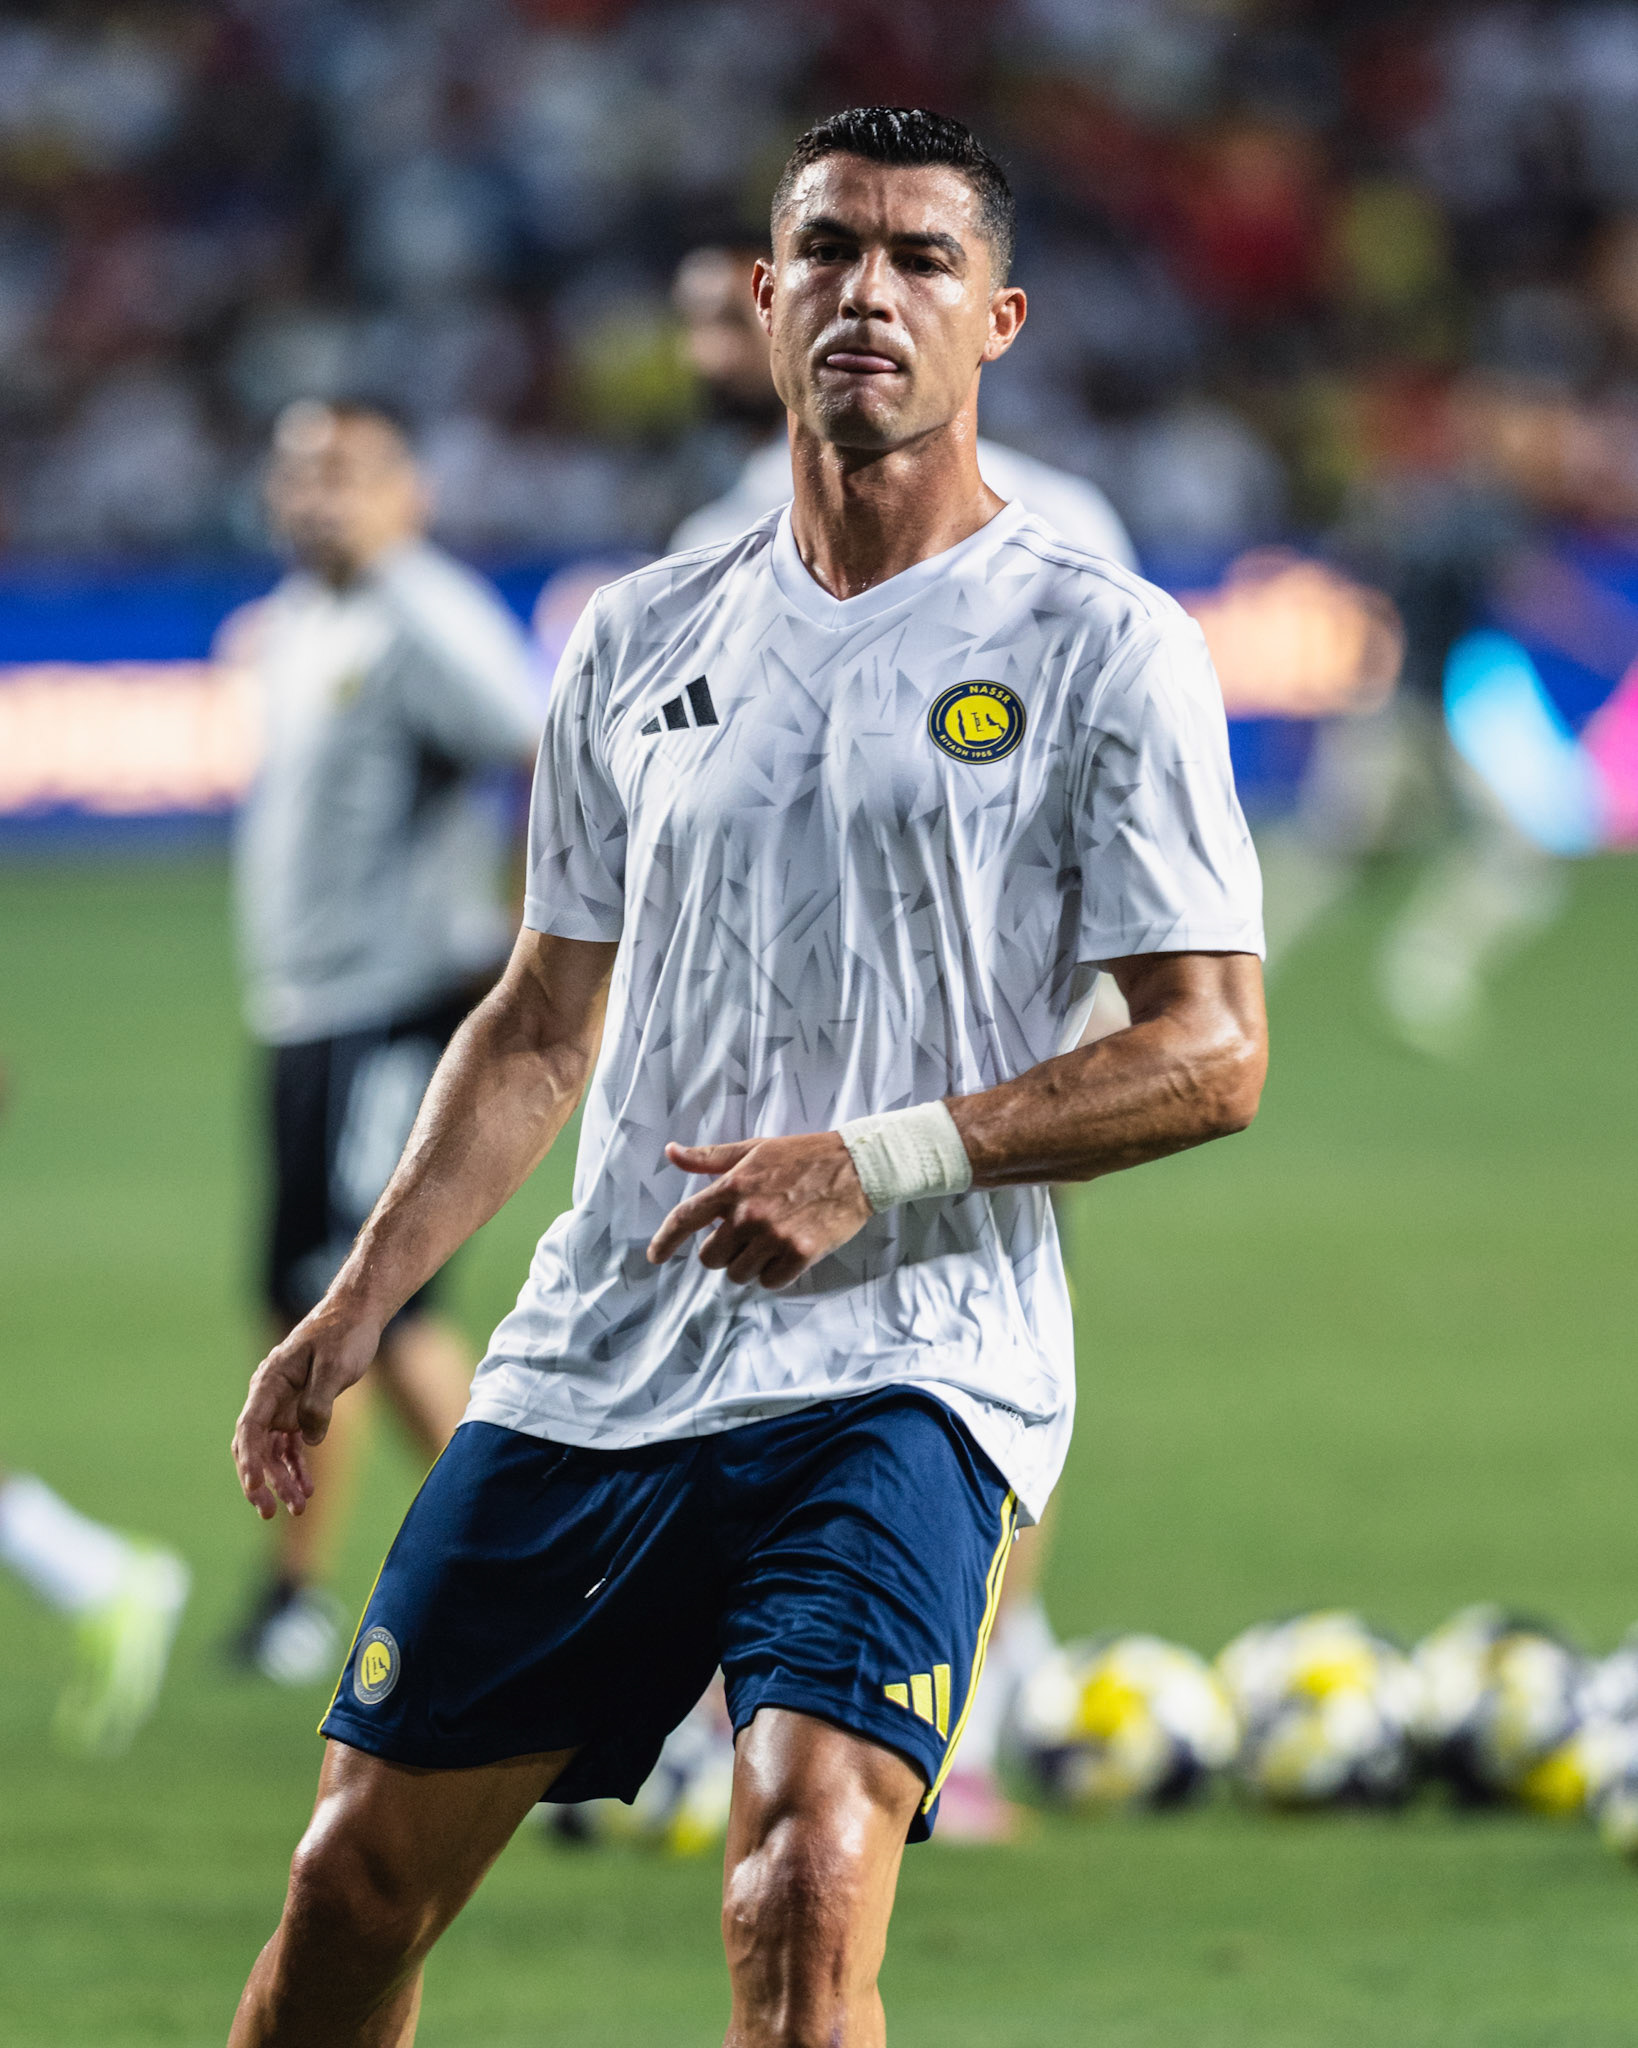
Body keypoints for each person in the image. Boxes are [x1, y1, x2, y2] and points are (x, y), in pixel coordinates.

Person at [228, 107, 1266, 2047]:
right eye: (831, 250)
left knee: (802, 1879)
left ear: (1000, 321)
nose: (870, 290)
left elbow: (1212, 1052)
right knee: (350, 1884)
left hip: (907, 1361)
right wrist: (357, 1304)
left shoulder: (1101, 646)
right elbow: (544, 1021)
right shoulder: (637, 641)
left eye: (923, 259)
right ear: (766, 299)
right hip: (601, 1357)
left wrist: (874, 1160)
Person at [662, 233, 1140, 1843]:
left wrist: (1091, 1042)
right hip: (762, 1052)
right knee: (752, 1368)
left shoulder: (1066, 535)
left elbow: (1124, 812)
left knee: (988, 1356)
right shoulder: (709, 543)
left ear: (988, 320)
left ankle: (961, 1711)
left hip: (984, 1057)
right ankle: (773, 1710)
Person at [228, 399, 541, 1683]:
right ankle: (301, 1589)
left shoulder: (424, 614)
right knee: (304, 1292)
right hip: (306, 1007)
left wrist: (525, 937)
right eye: (297, 469)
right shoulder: (299, 623)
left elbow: (540, 752)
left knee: (376, 1298)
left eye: (347, 471)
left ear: (408, 488)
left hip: (391, 1002)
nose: (317, 494)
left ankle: (530, 1566)